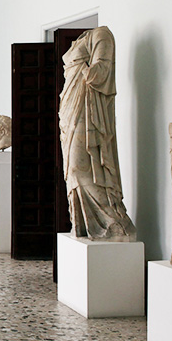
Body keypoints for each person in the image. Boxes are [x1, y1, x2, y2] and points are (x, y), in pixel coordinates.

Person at [59, 26, 135, 241]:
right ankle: (83, 224)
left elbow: (101, 73)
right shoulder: (81, 39)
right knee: (71, 169)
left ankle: (112, 221)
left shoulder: (101, 34)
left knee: (80, 165)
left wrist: (82, 70)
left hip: (86, 106)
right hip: (70, 107)